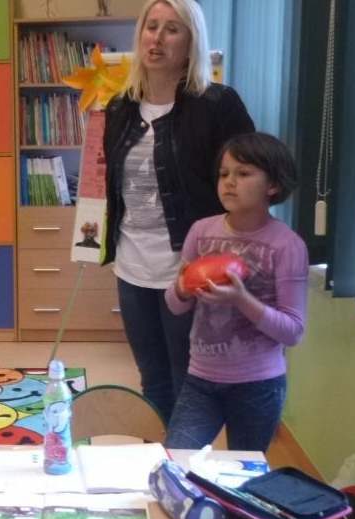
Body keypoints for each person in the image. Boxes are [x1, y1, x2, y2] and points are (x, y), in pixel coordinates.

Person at [102, 0, 256, 423]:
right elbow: (114, 185)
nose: (157, 38)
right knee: (152, 378)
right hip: (133, 266)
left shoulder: (217, 104)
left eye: (172, 29)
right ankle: (161, 454)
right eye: (151, 27)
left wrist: (234, 248)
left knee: (189, 378)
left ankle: (183, 457)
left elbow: (248, 178)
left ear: (191, 43)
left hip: (191, 267)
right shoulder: (120, 108)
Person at [164, 132, 309, 452]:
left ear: (273, 185)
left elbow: (293, 331)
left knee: (244, 474)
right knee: (176, 460)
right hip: (200, 379)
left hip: (259, 385)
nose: (229, 182)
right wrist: (183, 288)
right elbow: (175, 305)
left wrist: (241, 299)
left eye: (243, 174)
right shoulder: (201, 231)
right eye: (224, 174)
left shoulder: (287, 245)